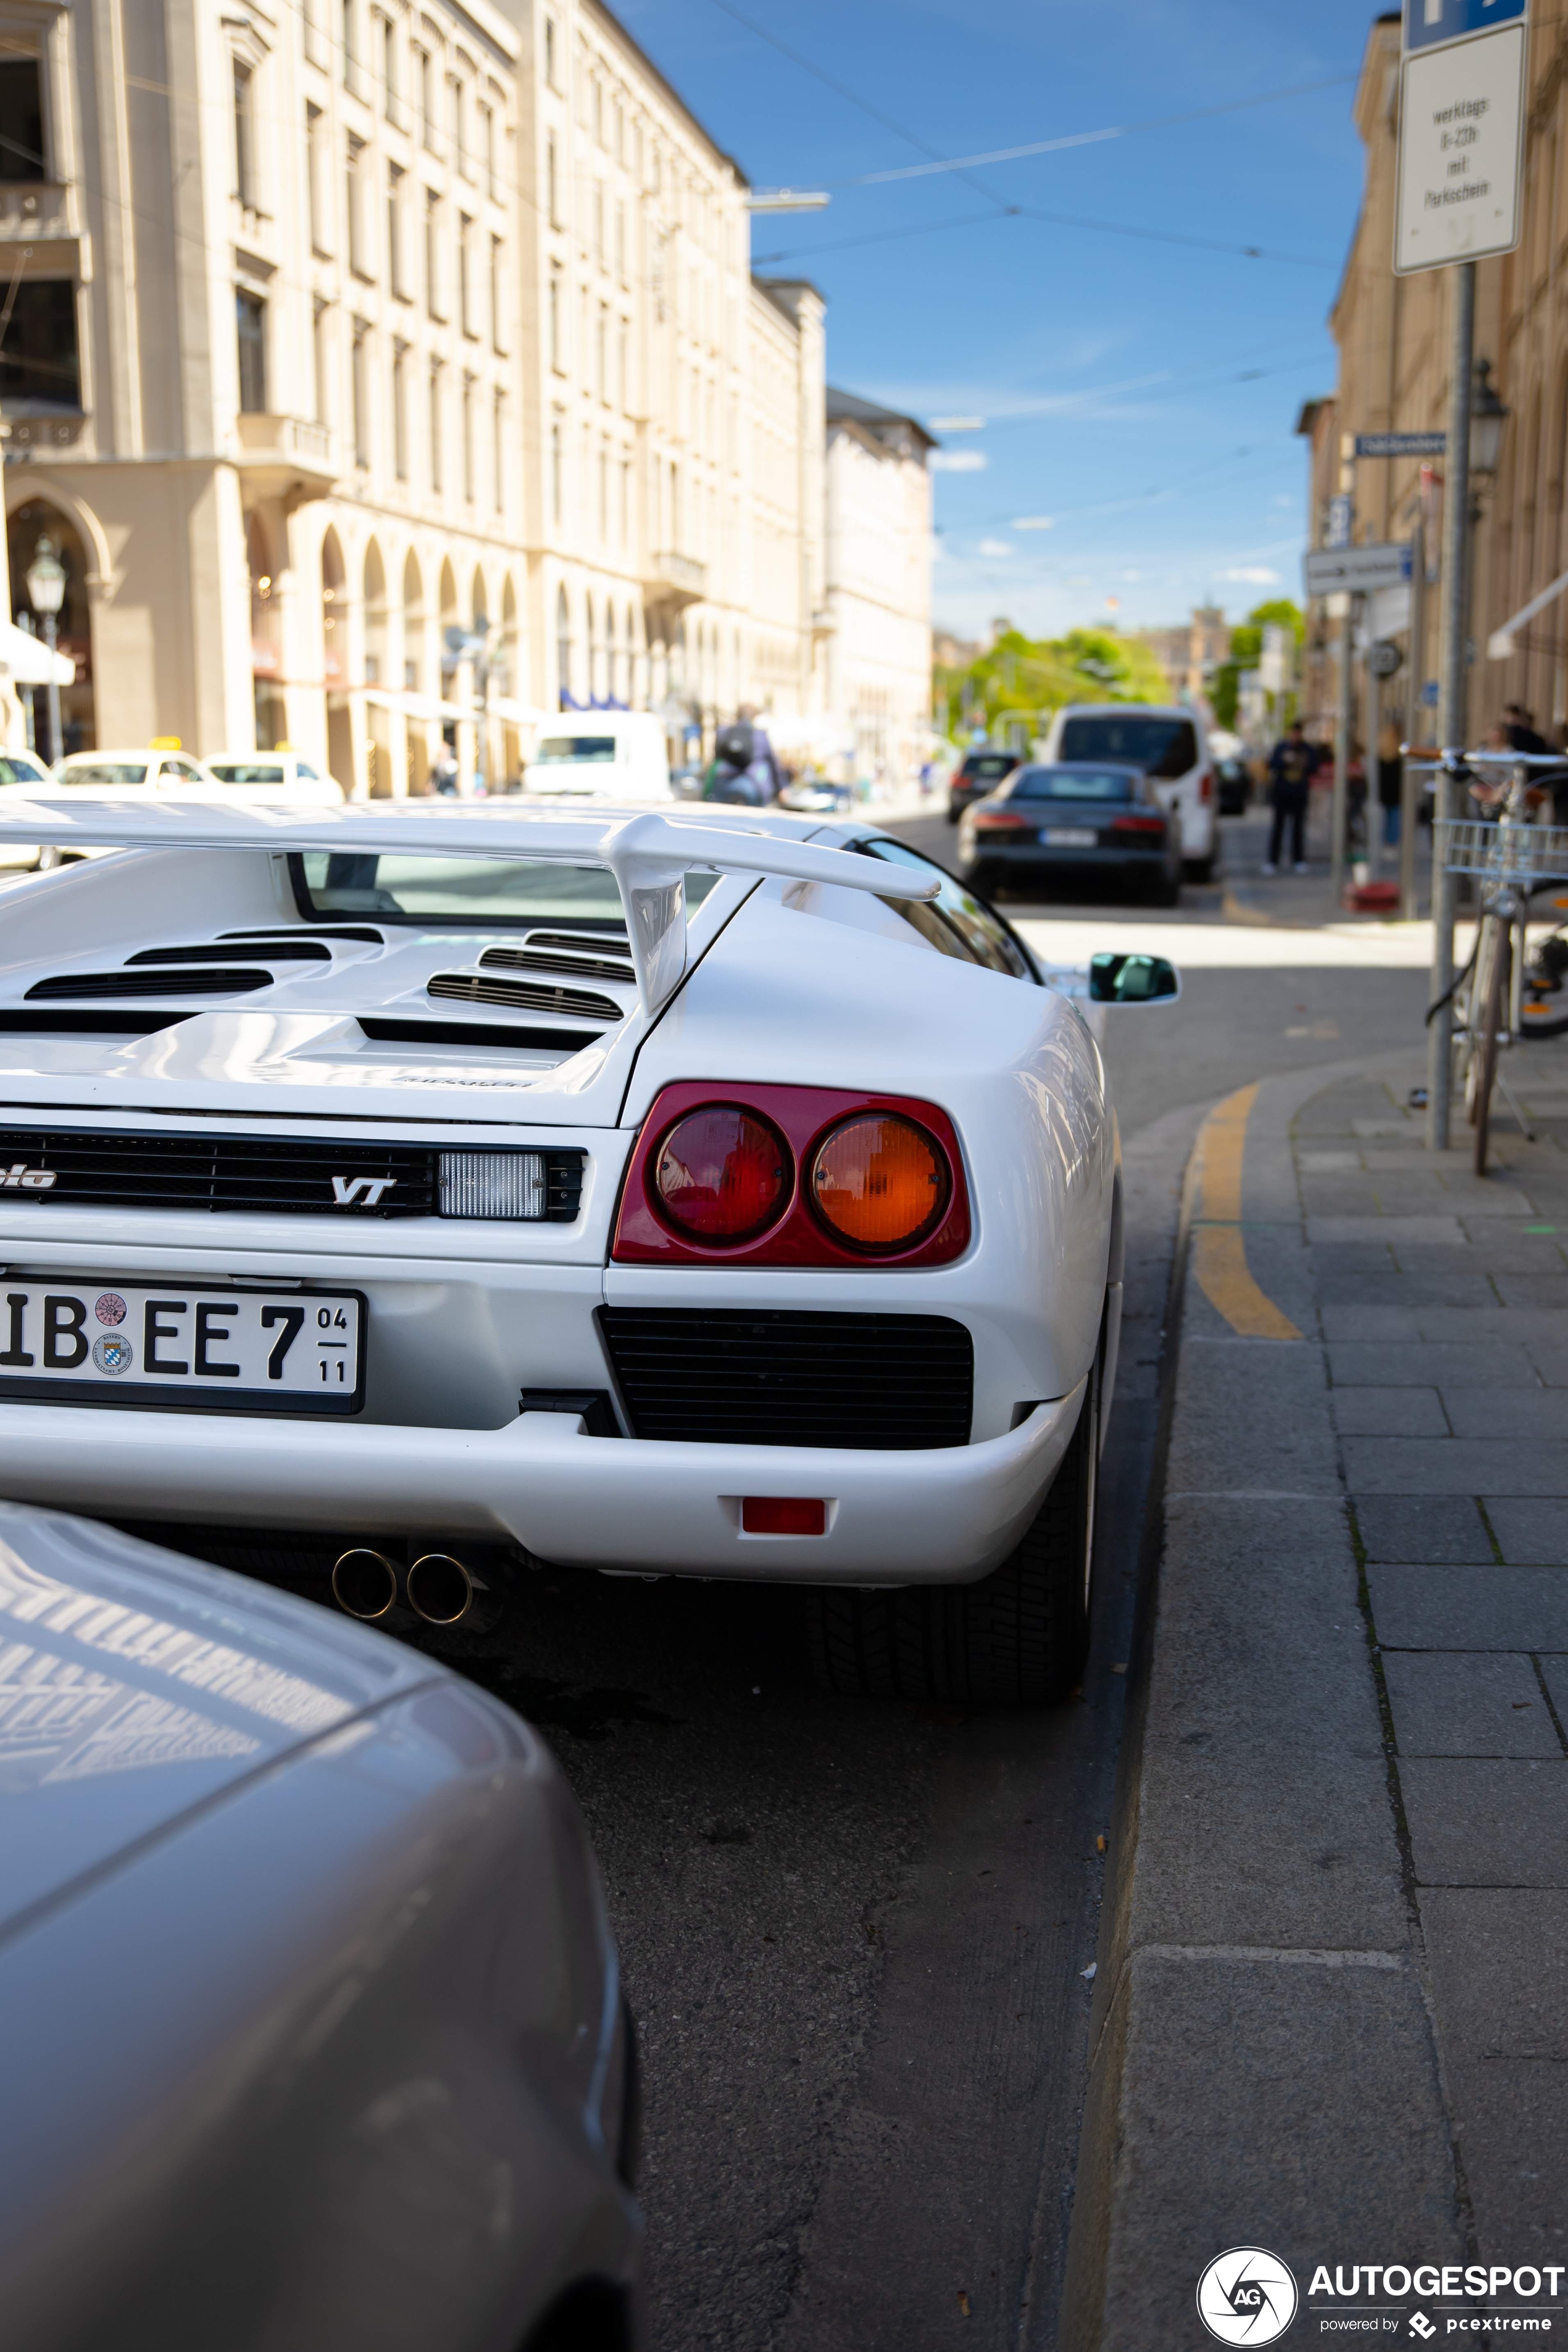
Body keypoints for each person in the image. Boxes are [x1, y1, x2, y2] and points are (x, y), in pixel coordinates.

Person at [1263, 720, 1317, 874]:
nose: (1295, 736)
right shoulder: (1281, 748)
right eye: (1293, 733)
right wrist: (1284, 760)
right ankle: (1272, 861)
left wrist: (1302, 763)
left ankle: (1298, 860)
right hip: (1282, 793)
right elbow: (1272, 765)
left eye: (1297, 733)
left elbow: (1314, 767)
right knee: (1278, 827)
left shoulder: (1307, 749)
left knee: (1298, 828)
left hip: (1299, 793)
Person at [1376, 720, 1404, 848]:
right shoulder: (1399, 754)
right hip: (1395, 791)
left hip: (1386, 791)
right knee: (1393, 817)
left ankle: (1388, 840)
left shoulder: (1383, 753)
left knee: (1388, 817)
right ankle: (1391, 841)